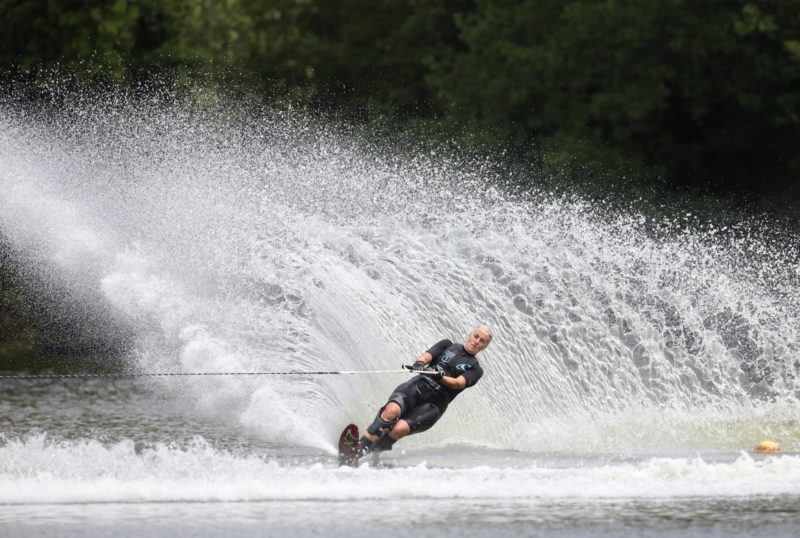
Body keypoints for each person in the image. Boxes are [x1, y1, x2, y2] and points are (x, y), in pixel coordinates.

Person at [359, 325, 492, 455]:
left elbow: (458, 383)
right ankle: (359, 448)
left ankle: (369, 456)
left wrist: (439, 376)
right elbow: (426, 356)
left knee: (398, 430)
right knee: (392, 411)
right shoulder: (447, 344)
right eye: (476, 336)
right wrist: (420, 364)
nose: (476, 341)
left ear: (484, 347)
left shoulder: (476, 369)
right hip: (418, 385)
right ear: (470, 334)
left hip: (434, 405)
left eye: (482, 341)